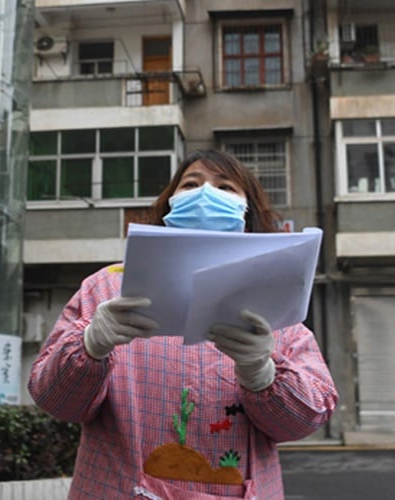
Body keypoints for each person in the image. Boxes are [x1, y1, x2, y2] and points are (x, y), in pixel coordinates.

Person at [28, 149, 338, 499]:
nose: (206, 194)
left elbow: (304, 421)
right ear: (169, 204)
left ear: (247, 212)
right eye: (191, 184)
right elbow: (55, 401)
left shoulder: (274, 304)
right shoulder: (108, 289)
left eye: (225, 188)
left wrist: (263, 375)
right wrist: (89, 346)